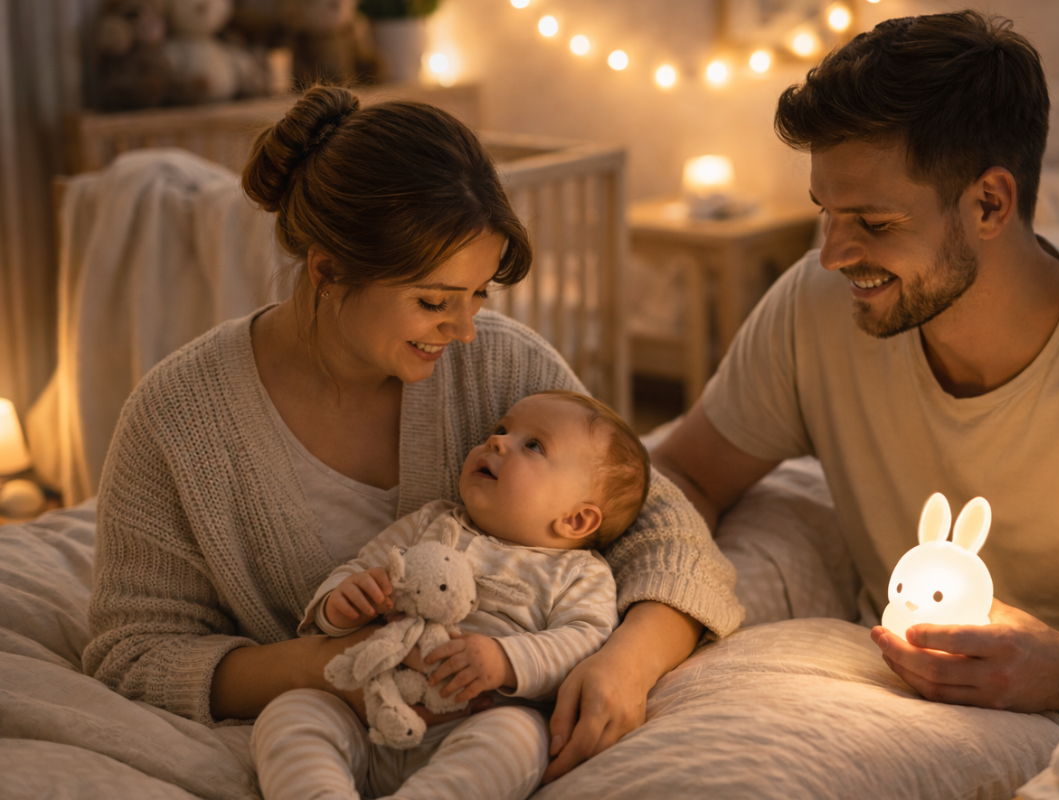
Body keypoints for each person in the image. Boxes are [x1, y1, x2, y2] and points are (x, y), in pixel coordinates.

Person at [82, 85, 743, 784]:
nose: (462, 331)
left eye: (479, 295)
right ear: (328, 270)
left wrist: (626, 661)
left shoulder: (503, 363)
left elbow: (660, 529)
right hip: (327, 721)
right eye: (433, 301)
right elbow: (135, 649)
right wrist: (324, 670)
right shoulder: (178, 417)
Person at [652, 11, 1059, 725]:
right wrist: (647, 628)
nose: (832, 254)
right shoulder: (814, 306)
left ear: (990, 203)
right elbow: (688, 473)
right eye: (826, 212)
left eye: (874, 224)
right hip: (877, 703)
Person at [251, 390, 649, 800]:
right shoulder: (432, 521)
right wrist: (341, 603)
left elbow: (585, 642)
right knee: (292, 711)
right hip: (369, 714)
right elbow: (362, 567)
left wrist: (506, 660)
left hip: (476, 721)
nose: (497, 441)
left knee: (520, 739)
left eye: (533, 445)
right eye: (501, 429)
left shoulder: (579, 572)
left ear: (576, 519)